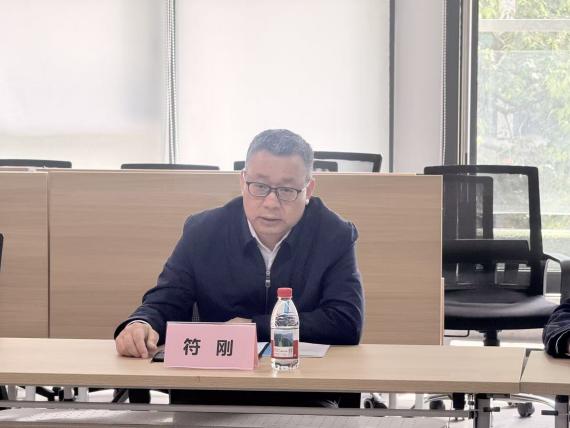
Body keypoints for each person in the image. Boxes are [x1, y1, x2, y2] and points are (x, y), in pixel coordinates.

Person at [114, 129, 364, 407]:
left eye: (287, 190)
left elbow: (346, 322)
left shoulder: (334, 235)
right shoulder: (203, 231)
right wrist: (141, 323)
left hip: (301, 391)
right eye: (259, 186)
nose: (271, 203)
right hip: (212, 391)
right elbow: (167, 299)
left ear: (309, 190)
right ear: (243, 182)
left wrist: (253, 327)